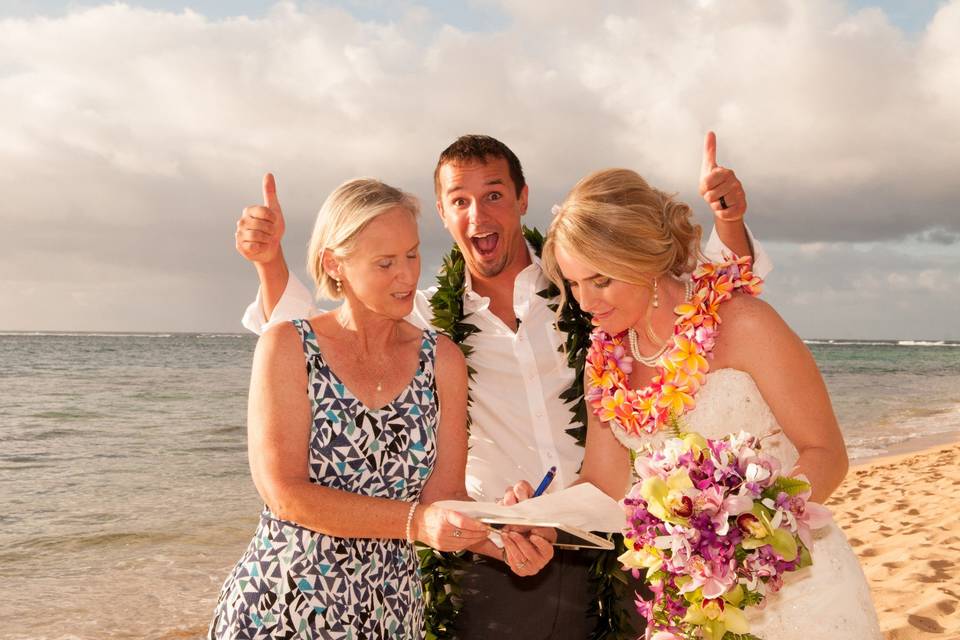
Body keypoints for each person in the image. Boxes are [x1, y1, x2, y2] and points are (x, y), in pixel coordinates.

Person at [233, 134, 771, 638]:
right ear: (442, 213)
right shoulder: (424, 318)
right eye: (459, 201)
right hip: (499, 552)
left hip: (626, 537)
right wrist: (269, 262)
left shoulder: (585, 282)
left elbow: (694, 298)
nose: (477, 214)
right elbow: (325, 339)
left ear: (522, 199)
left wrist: (729, 220)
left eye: (493, 195)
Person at [540, 167, 882, 638]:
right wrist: (535, 518)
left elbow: (827, 454)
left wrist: (753, 539)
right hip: (691, 604)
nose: (585, 302)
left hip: (797, 588)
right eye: (573, 284)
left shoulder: (745, 323)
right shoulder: (604, 362)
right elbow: (604, 483)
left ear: (644, 259)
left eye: (600, 281)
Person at [209, 177, 552, 639]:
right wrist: (416, 522)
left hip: (389, 614)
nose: (407, 275)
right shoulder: (288, 345)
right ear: (336, 264)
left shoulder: (441, 359)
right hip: (282, 605)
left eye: (412, 255)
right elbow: (285, 495)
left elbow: (441, 499)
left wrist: (506, 539)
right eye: (385, 262)